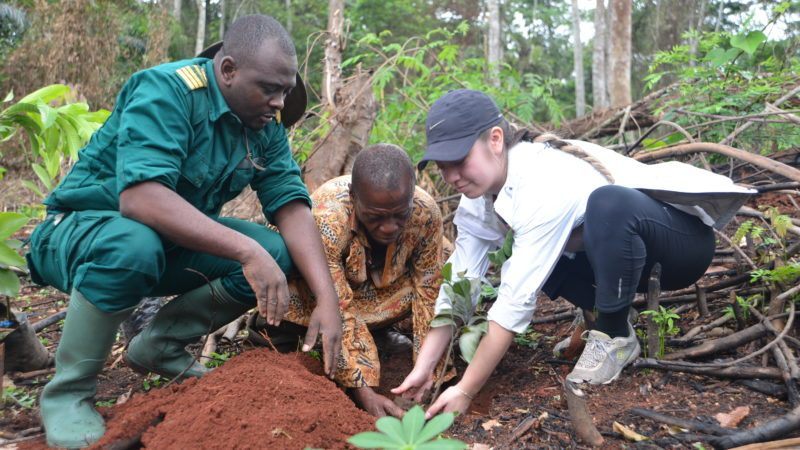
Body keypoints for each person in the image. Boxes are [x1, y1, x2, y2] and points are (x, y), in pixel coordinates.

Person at [25, 15, 342, 448]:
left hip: (158, 246)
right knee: (138, 243)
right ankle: (69, 393)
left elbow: (289, 202)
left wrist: (327, 297)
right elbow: (141, 200)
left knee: (278, 251)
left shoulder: (262, 125)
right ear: (227, 70)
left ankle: (160, 345)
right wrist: (247, 253)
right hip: (78, 235)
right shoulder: (167, 90)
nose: (279, 104)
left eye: (285, 92)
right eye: (269, 88)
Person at [392, 89, 754, 417]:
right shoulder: (479, 199)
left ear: (496, 140)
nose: (451, 175)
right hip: (626, 255)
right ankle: (602, 314)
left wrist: (465, 391)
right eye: (442, 165)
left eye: (459, 159)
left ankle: (614, 336)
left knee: (606, 205)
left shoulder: (541, 178)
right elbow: (462, 279)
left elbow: (515, 301)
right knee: (533, 254)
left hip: (680, 246)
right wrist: (425, 363)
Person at [280, 143, 447, 418]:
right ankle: (284, 333)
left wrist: (430, 371)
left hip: (369, 291)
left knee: (446, 259)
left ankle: (377, 333)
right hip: (320, 295)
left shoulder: (424, 211)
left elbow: (431, 292)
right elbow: (337, 305)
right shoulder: (329, 219)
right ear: (354, 197)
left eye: (399, 214)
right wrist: (365, 393)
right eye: (376, 217)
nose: (390, 227)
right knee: (298, 281)